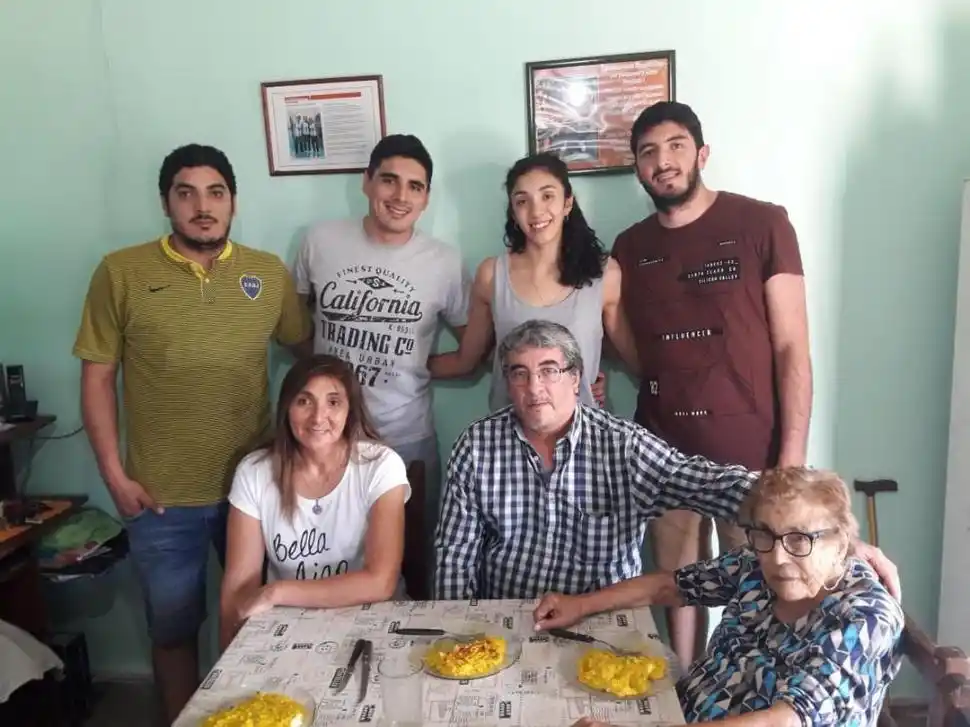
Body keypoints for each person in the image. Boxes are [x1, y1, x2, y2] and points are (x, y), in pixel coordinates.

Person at [73, 143, 311, 724]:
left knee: (257, 623)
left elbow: (306, 356)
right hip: (161, 498)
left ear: (233, 202)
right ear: (166, 203)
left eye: (216, 192)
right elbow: (98, 379)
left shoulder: (266, 273)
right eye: (186, 193)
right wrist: (115, 476)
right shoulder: (121, 272)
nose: (202, 206)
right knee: (175, 630)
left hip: (252, 492)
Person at [611, 100, 813, 665]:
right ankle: (684, 688)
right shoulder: (630, 246)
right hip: (662, 452)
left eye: (675, 146)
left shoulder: (763, 223)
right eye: (648, 152)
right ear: (638, 168)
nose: (663, 161)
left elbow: (793, 345)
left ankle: (749, 698)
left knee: (762, 583)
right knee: (676, 581)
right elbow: (631, 348)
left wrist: (790, 461)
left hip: (751, 451)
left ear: (701, 153)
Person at [536, 468, 903, 727]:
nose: (777, 557)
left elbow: (784, 721)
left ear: (841, 543)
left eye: (798, 539)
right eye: (765, 536)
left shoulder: (863, 617)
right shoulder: (754, 564)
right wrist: (578, 605)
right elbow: (669, 586)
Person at [294, 133, 470, 560]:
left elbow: (473, 350)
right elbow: (294, 323)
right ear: (367, 182)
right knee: (324, 560)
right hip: (325, 437)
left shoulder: (444, 261)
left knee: (409, 563)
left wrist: (419, 367)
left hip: (405, 440)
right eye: (389, 180)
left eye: (415, 186)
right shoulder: (320, 241)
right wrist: (322, 369)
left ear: (427, 197)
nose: (400, 196)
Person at [219, 354, 409, 650]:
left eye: (333, 402)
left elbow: (380, 582)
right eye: (304, 401)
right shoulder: (254, 472)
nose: (319, 417)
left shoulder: (381, 465)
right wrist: (227, 662)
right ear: (287, 409)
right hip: (284, 628)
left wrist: (277, 592)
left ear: (350, 410)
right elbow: (238, 587)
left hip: (371, 623)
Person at [428, 152, 638, 410]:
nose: (536, 211)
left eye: (547, 196)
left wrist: (587, 376)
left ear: (568, 203)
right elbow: (472, 359)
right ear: (513, 212)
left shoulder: (604, 274)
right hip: (509, 437)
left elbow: (628, 356)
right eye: (522, 201)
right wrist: (398, 368)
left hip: (582, 438)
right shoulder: (491, 275)